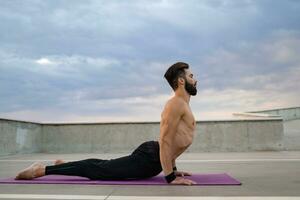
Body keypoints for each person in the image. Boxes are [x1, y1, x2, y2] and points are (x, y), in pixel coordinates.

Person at [15, 62, 198, 185]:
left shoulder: (183, 105)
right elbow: (166, 140)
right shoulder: (175, 104)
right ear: (181, 81)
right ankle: (41, 170)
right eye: (191, 76)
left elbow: (174, 141)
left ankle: (67, 164)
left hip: (154, 161)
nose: (195, 79)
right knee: (99, 170)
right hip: (148, 158)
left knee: (103, 166)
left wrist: (174, 170)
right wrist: (170, 177)